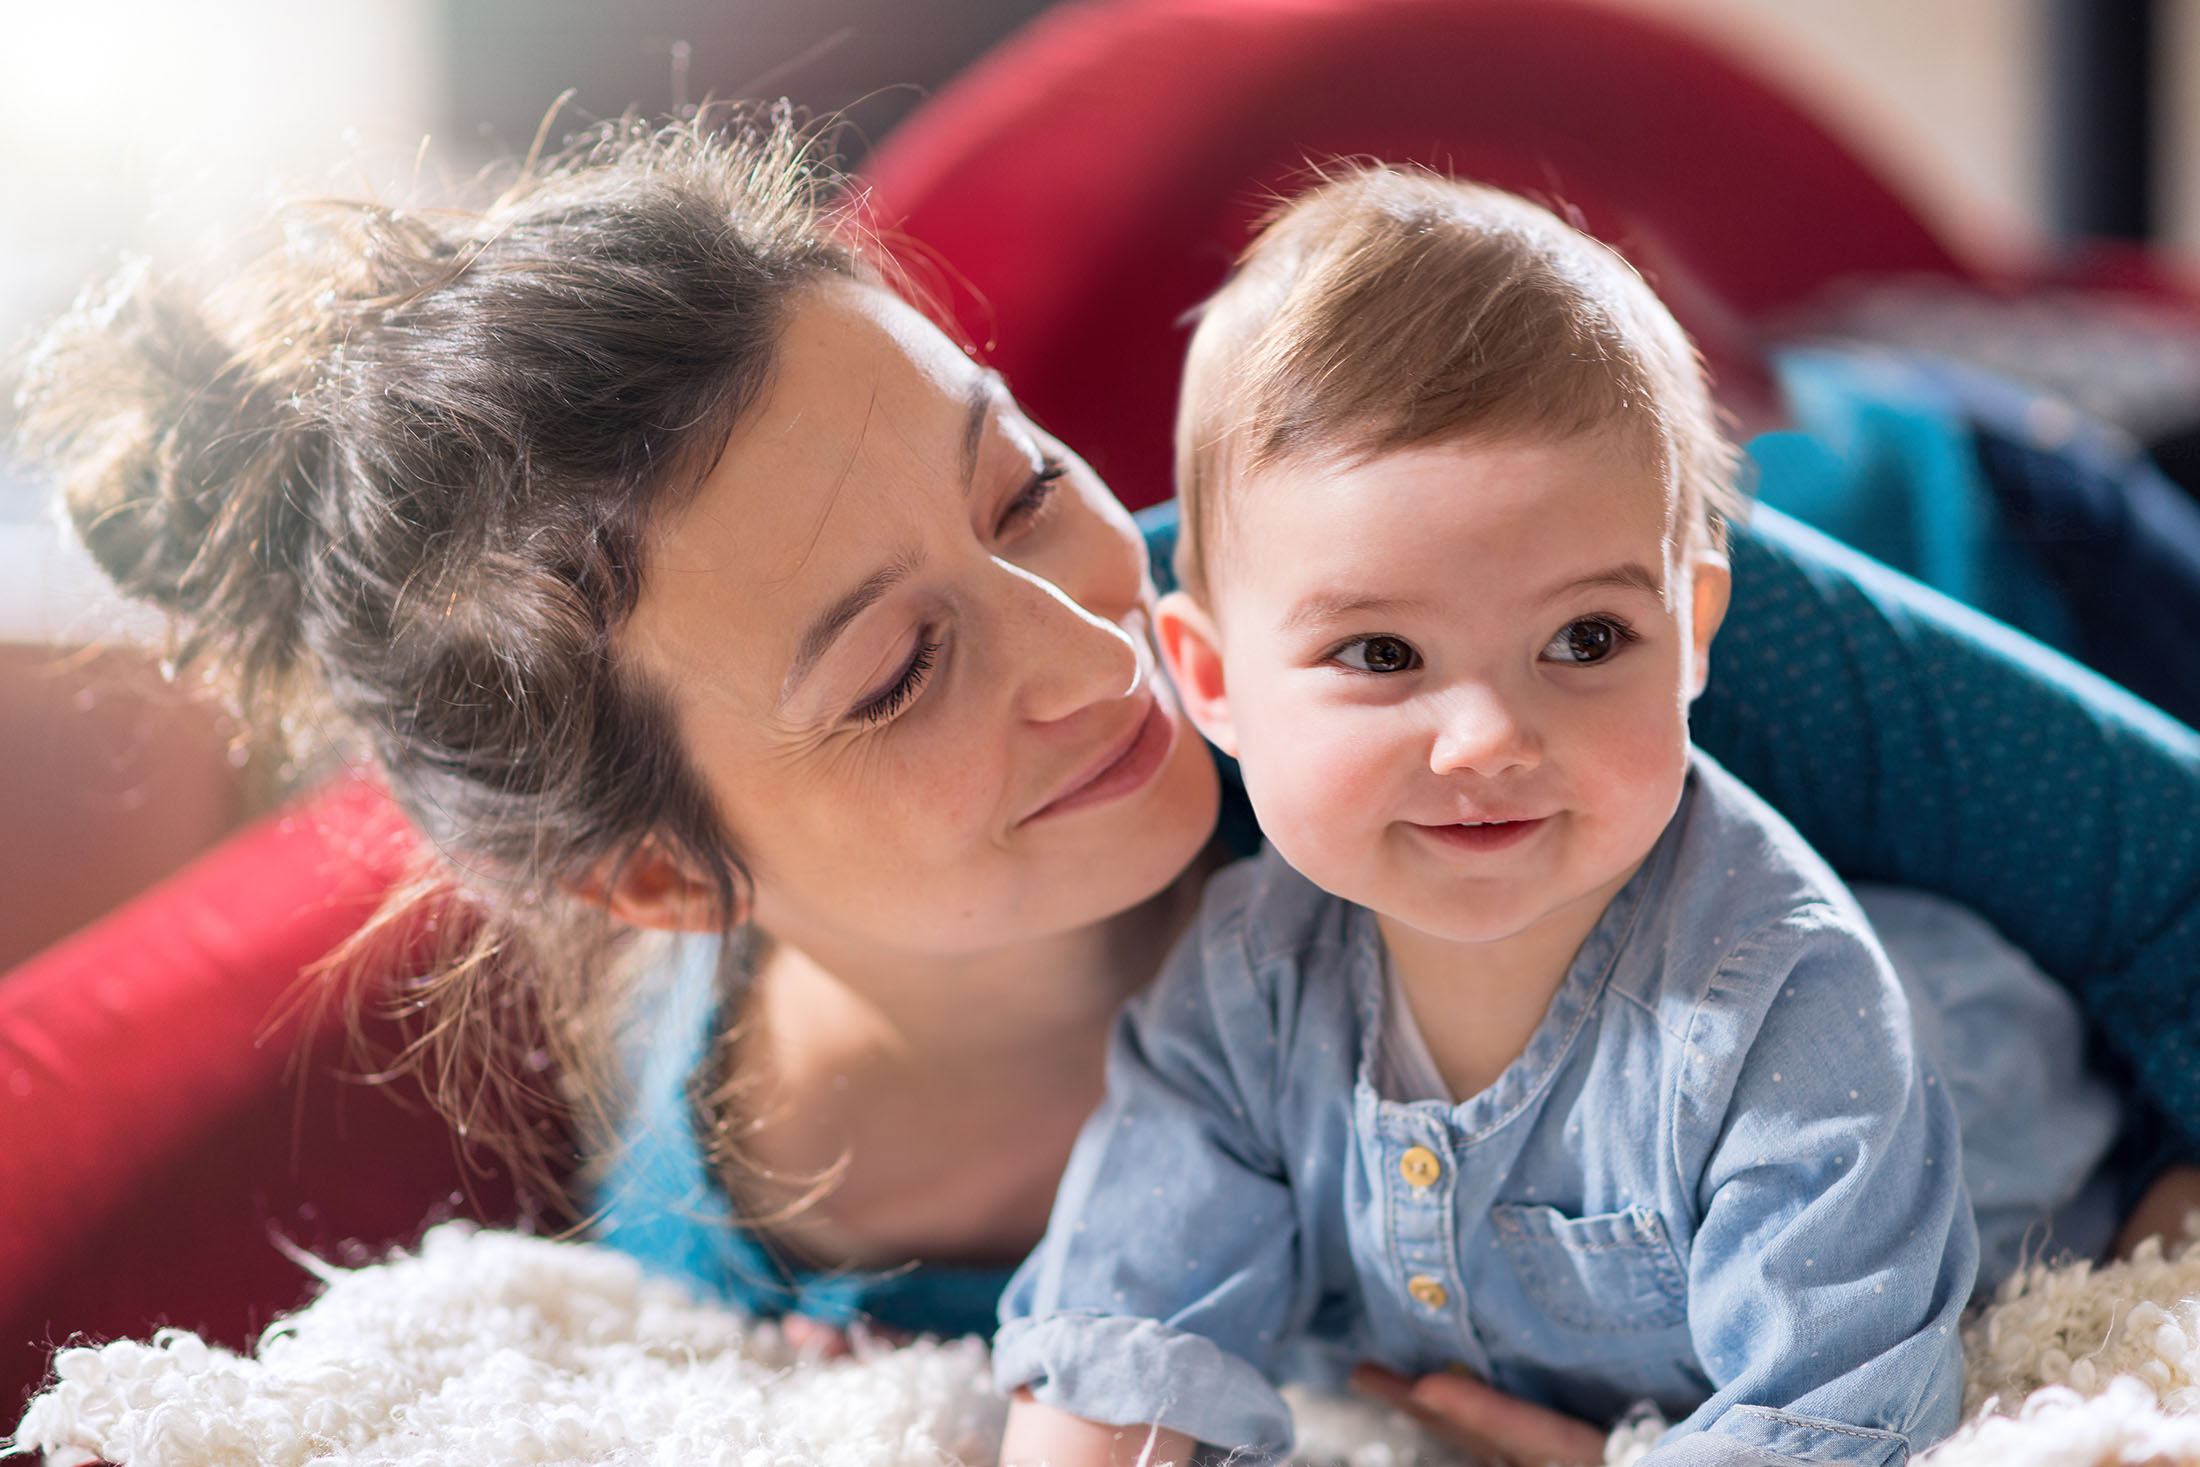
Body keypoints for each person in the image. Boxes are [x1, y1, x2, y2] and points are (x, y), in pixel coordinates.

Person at [14, 113, 2200, 1467]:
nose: (1108, 644)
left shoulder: (1429, 641)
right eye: (894, 671)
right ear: (670, 873)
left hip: (1988, 521)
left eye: (1026, 484)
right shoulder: (754, 1281)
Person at [991, 167, 2121, 1467]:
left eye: (1586, 638)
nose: (1488, 739)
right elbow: (1123, 1309)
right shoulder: (1248, 987)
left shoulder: (1787, 1014)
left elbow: (1835, 1420)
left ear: (1690, 634)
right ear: (1213, 684)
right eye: (1379, 654)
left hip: (2001, 1093)